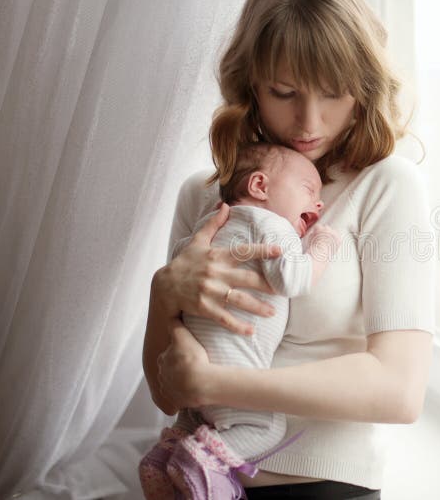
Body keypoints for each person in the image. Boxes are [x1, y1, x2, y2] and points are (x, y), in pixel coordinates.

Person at [142, 0, 435, 498]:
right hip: (200, 484)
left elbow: (400, 391)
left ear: (364, 88)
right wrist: (163, 296)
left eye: (334, 94)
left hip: (328, 484)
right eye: (284, 92)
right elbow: (168, 393)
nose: (309, 122)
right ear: (250, 82)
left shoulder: (388, 187)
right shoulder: (203, 197)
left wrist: (221, 385)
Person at [139, 143, 342, 499]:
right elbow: (292, 280)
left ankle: (167, 452)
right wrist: (321, 247)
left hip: (191, 360)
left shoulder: (209, 224)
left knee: (195, 419)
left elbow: (177, 268)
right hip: (233, 362)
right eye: (309, 191)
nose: (319, 204)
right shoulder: (273, 225)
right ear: (260, 187)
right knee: (266, 425)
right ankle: (198, 462)